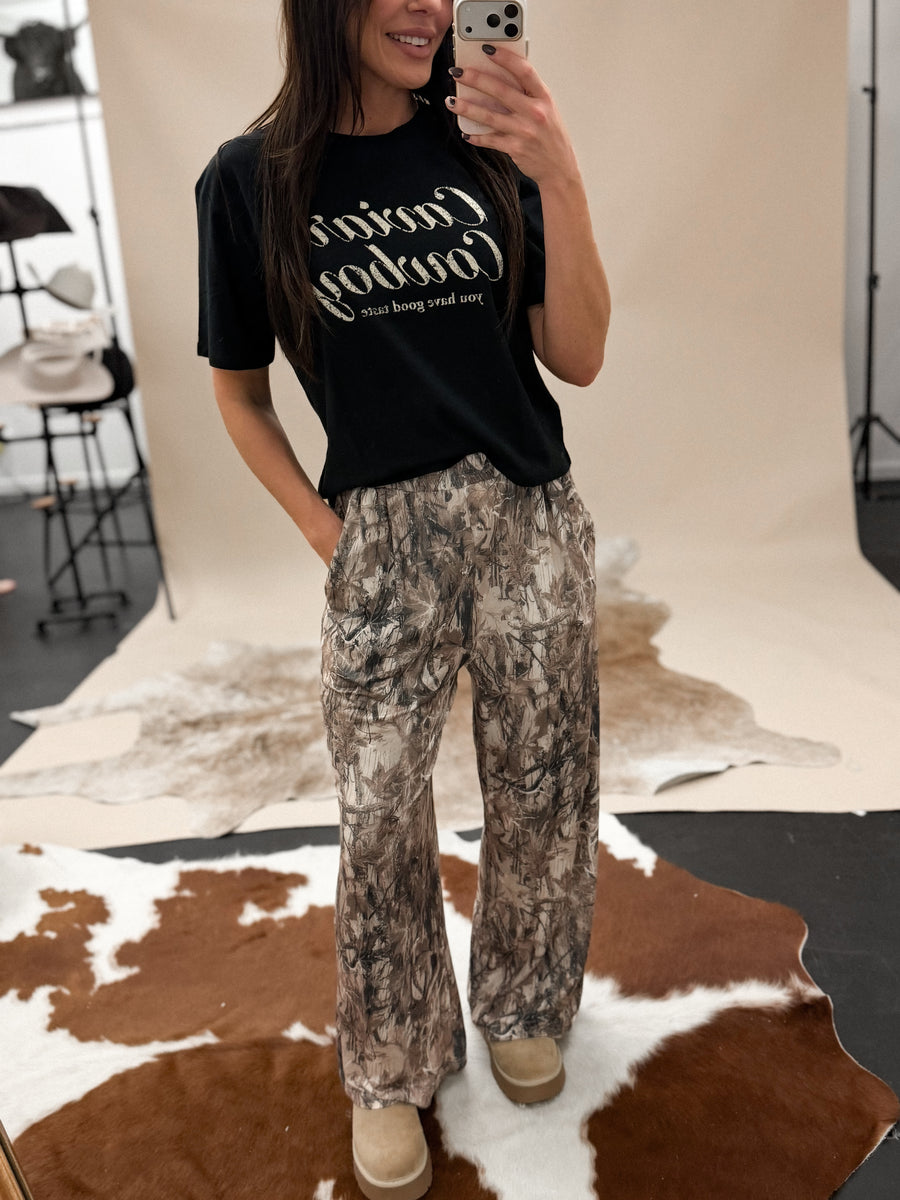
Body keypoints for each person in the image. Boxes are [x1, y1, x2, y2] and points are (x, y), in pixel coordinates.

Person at [196, 2, 610, 1196]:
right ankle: (390, 1062)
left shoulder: (485, 143)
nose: (429, 6)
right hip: (381, 536)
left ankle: (524, 1003)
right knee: (377, 814)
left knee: (544, 782)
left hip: (526, 512)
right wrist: (326, 531)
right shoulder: (249, 182)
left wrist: (558, 170)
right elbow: (239, 393)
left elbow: (579, 356)